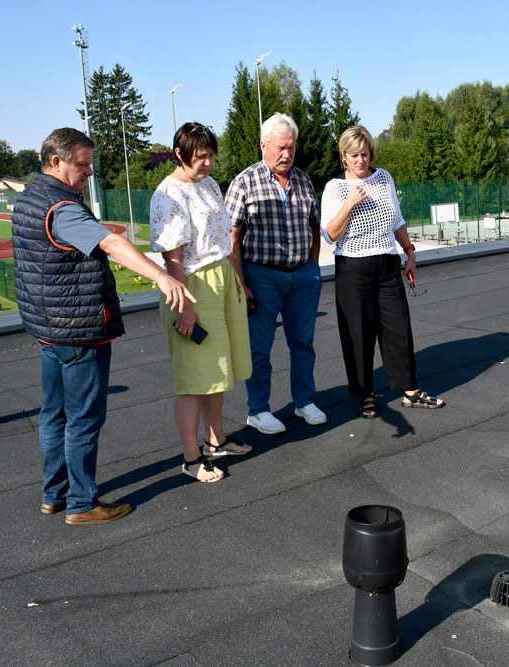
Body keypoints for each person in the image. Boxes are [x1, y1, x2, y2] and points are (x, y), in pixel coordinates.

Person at [13, 128, 195, 524]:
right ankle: (81, 503)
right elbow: (111, 244)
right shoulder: (61, 207)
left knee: (54, 414)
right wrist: (163, 277)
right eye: (82, 164)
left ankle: (54, 494)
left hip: (49, 327)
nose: (90, 171)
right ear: (56, 162)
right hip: (78, 328)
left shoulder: (29, 197)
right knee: (83, 418)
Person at [150, 123, 253, 483]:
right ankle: (191, 457)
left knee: (219, 368)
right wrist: (185, 307)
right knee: (194, 377)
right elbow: (172, 259)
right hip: (191, 284)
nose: (208, 163)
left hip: (220, 277)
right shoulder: (167, 194)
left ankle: (215, 440)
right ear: (179, 155)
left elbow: (221, 237)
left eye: (211, 156)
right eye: (200, 157)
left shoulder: (208, 184)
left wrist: (235, 279)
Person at [320, 125, 445, 418]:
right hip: (353, 268)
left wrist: (410, 251)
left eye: (364, 154)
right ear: (344, 157)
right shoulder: (335, 188)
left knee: (399, 329)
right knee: (359, 336)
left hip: (387, 264)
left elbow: (396, 218)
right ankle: (365, 394)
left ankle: (410, 390)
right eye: (354, 155)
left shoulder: (384, 177)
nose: (361, 160)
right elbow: (330, 234)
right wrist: (349, 204)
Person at [225, 113, 326, 434]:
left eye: (291, 148)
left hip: (302, 277)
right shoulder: (244, 182)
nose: (286, 155)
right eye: (280, 148)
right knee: (259, 348)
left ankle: (304, 402)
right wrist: (241, 283)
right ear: (263, 146)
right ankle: (258, 409)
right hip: (261, 277)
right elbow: (231, 237)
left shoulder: (304, 180)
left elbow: (314, 226)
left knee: (303, 343)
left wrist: (311, 267)